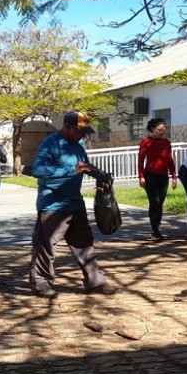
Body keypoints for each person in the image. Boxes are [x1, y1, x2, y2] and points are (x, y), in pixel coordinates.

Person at [29, 111, 117, 299]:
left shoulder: (79, 144)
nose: (83, 135)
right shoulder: (50, 143)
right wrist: (70, 169)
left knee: (84, 243)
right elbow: (37, 170)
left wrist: (101, 175)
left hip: (74, 202)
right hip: (52, 204)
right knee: (46, 246)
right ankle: (41, 283)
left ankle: (95, 282)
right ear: (67, 127)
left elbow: (84, 166)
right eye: (80, 131)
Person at [137, 118, 178, 241]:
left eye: (164, 130)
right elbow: (140, 160)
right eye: (159, 130)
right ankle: (155, 230)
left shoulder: (166, 142)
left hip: (163, 176)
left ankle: (157, 227)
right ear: (152, 129)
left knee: (160, 202)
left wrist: (174, 176)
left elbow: (169, 160)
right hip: (150, 175)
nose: (162, 132)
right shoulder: (146, 142)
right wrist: (141, 177)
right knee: (154, 202)